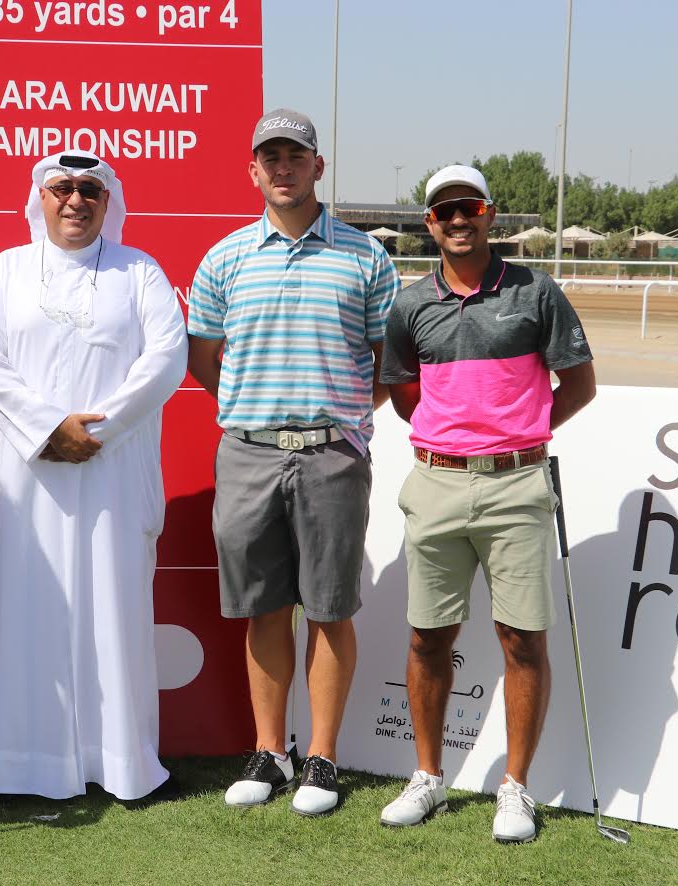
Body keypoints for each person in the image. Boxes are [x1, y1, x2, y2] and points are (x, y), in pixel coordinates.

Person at [187, 109, 400, 817]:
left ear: (318, 166)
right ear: (253, 169)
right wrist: (254, 412)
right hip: (248, 452)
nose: (282, 168)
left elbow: (384, 361)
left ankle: (323, 758)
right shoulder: (223, 257)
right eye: (268, 157)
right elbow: (204, 359)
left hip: (330, 456)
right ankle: (270, 750)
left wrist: (343, 420)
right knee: (263, 608)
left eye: (294, 155)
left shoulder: (366, 256)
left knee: (328, 609)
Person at [377, 165, 596, 843]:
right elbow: (405, 393)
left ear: (489, 214)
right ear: (429, 225)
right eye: (442, 212)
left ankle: (515, 788)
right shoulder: (410, 303)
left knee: (521, 639)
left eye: (467, 207)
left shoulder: (536, 291)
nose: (456, 219)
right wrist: (456, 442)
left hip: (516, 487)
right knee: (426, 636)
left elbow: (579, 384)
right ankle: (427, 777)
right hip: (435, 484)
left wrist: (515, 437)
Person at [0, 149, 187, 801]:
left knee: (114, 612)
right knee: (29, 612)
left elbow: (165, 360)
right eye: (61, 188)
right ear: (40, 197)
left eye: (90, 190)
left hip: (113, 473)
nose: (75, 200)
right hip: (30, 476)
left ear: (107, 202)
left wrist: (97, 430)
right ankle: (19, 764)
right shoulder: (4, 271)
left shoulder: (138, 272)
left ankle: (121, 764)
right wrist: (46, 430)